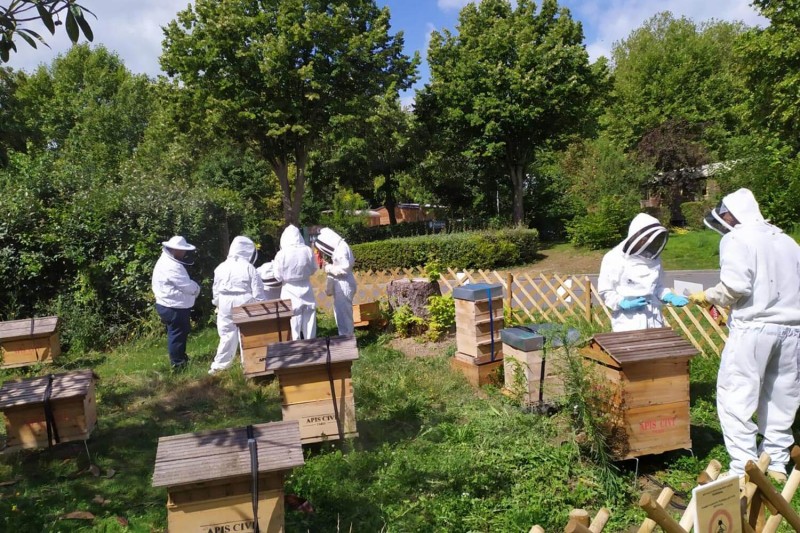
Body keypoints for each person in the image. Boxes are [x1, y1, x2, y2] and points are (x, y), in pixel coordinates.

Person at [690, 188, 800, 481]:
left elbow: (735, 287)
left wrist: (709, 295)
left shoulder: (737, 238)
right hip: (792, 331)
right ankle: (776, 464)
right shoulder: (788, 241)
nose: (724, 221)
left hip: (754, 329)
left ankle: (744, 466)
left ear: (732, 213)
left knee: (736, 395)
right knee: (782, 397)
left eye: (725, 215)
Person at [598, 212, 689, 332]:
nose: (649, 241)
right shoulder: (614, 258)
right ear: (636, 235)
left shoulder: (654, 259)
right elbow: (606, 290)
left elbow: (658, 287)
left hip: (654, 318)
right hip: (627, 321)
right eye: (647, 237)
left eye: (652, 237)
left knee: (657, 344)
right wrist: (622, 302)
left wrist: (669, 296)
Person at [209, 236, 267, 375]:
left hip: (224, 301)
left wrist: (218, 303)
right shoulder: (249, 267)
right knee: (247, 333)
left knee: (226, 334)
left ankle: (220, 366)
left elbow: (215, 290)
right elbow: (258, 292)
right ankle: (248, 364)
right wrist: (259, 306)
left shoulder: (220, 267)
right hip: (244, 301)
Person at [152, 236, 201, 369]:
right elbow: (186, 286)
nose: (184, 253)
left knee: (178, 333)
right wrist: (197, 288)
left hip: (168, 304)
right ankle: (178, 365)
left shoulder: (165, 260)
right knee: (177, 335)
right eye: (182, 250)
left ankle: (180, 358)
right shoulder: (172, 266)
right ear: (176, 250)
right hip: (173, 307)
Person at [273, 225, 318, 340]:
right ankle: (311, 342)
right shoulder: (307, 250)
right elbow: (314, 268)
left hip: (289, 288)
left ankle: (295, 343)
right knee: (309, 316)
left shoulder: (282, 254)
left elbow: (277, 276)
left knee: (293, 318)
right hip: (306, 285)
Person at [314, 227, 357, 336]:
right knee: (340, 313)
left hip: (344, 283)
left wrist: (329, 268)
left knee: (344, 315)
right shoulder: (340, 247)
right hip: (343, 282)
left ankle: (348, 339)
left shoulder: (341, 248)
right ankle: (344, 337)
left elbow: (344, 268)